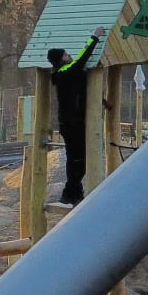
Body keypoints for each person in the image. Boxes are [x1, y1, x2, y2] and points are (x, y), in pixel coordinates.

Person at [47, 26, 106, 205]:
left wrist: (102, 101)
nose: (69, 55)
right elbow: (82, 57)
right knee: (79, 160)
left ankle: (75, 192)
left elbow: (82, 89)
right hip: (72, 123)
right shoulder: (66, 71)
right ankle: (69, 193)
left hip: (70, 122)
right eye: (66, 55)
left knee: (75, 159)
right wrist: (94, 37)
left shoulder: (65, 74)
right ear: (61, 60)